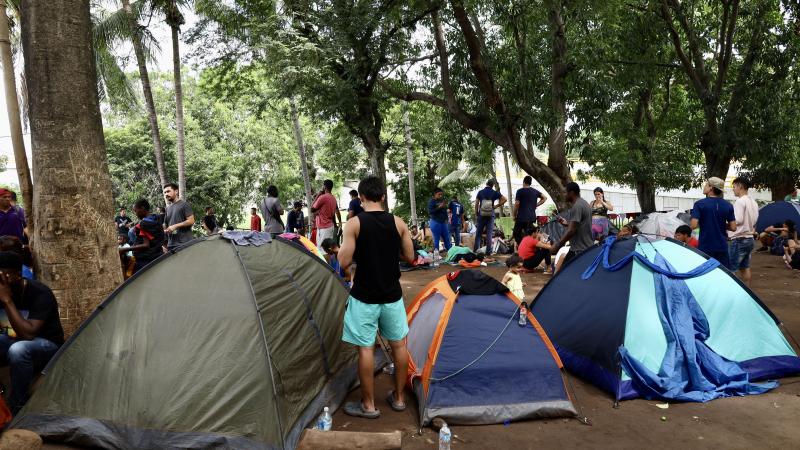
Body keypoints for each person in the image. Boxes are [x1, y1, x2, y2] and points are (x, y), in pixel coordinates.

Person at [338, 175, 414, 419]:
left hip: (364, 297)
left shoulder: (354, 224)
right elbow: (410, 257)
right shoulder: (399, 223)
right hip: (392, 295)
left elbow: (343, 261)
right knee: (399, 346)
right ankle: (399, 399)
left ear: (361, 198)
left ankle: (369, 405)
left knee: (366, 349)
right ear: (382, 196)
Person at [0, 251, 64, 414]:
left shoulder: (40, 293)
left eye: (4, 275)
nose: (2, 281)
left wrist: (7, 300)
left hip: (46, 344)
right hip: (12, 338)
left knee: (18, 349)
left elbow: (28, 335)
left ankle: (18, 405)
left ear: (17, 274)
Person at [690, 177, 736, 268]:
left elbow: (693, 225)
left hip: (705, 246)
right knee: (722, 272)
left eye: (706, 184)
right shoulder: (728, 205)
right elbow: (733, 227)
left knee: (706, 272)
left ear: (711, 187)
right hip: (722, 246)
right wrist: (719, 224)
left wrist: (707, 222)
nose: (704, 186)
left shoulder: (699, 204)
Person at [550, 182, 593, 265]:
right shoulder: (584, 203)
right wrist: (567, 224)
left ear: (571, 193)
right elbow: (579, 225)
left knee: (563, 271)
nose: (564, 195)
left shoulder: (577, 206)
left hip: (579, 250)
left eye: (565, 192)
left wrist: (557, 245)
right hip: (585, 248)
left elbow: (571, 231)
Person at [727, 177, 759, 285]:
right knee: (745, 267)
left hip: (739, 239)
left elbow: (738, 220)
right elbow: (755, 220)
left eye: (734, 187)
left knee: (730, 269)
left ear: (740, 186)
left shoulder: (740, 201)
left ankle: (732, 292)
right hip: (749, 238)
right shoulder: (753, 202)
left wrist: (725, 224)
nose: (733, 189)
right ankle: (747, 290)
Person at [125, 199, 166, 273]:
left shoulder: (143, 224)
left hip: (146, 260)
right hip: (158, 255)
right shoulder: (157, 218)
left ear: (142, 208)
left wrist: (124, 249)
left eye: (135, 211)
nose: (135, 213)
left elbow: (146, 245)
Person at [474, 179, 507, 256]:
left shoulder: (480, 192)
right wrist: (496, 206)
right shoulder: (494, 192)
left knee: (478, 233)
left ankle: (476, 251)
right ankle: (488, 252)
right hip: (490, 214)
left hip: (481, 214)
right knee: (489, 234)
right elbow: (505, 199)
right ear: (492, 186)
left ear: (486, 184)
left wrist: (476, 213)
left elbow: (476, 204)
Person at [513, 176, 547, 246]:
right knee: (528, 234)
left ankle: (522, 246)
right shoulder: (535, 191)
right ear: (530, 183)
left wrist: (514, 215)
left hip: (521, 217)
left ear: (524, 182)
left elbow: (517, 204)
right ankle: (528, 247)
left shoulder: (520, 191)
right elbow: (544, 198)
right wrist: (536, 205)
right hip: (531, 217)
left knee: (516, 233)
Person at [162, 183, 195, 251]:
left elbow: (191, 221)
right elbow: (166, 225)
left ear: (176, 191)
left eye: (168, 191)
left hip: (184, 243)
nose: (166, 194)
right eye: (165, 192)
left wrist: (175, 226)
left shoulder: (184, 205)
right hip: (171, 245)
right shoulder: (167, 208)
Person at [311, 180, 342, 248]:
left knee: (322, 249)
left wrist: (318, 195)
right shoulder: (333, 198)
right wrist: (339, 222)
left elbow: (312, 209)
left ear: (324, 186)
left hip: (324, 228)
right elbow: (336, 211)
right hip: (329, 226)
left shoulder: (323, 197)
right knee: (326, 248)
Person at [427, 188, 451, 253]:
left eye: (441, 194)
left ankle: (451, 254)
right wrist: (439, 207)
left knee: (447, 239)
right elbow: (430, 212)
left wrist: (446, 219)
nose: (440, 196)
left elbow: (444, 211)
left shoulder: (442, 201)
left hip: (443, 223)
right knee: (436, 240)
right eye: (439, 194)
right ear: (435, 194)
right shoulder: (432, 201)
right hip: (435, 222)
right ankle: (436, 256)